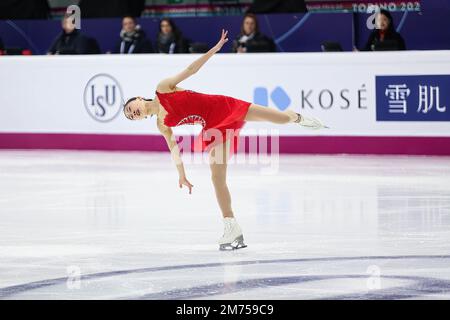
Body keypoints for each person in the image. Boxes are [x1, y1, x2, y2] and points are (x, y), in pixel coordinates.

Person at [122, 30, 328, 251]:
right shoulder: (161, 124)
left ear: (139, 99)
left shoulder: (162, 88)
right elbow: (174, 148)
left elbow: (191, 70)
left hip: (223, 106)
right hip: (213, 128)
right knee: (217, 177)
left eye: (131, 108)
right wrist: (182, 175)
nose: (133, 113)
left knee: (277, 118)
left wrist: (214, 49)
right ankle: (231, 226)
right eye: (131, 116)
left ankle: (298, 117)